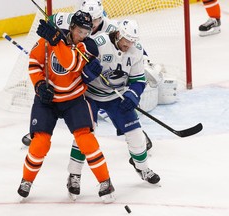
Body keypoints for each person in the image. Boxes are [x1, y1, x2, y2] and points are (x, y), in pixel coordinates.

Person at [22, 0, 153, 151]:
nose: (92, 23)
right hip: (74, 71)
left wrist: (144, 59)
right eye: (89, 18)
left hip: (100, 73)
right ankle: (39, 131)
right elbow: (51, 21)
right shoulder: (71, 19)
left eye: (96, 19)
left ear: (102, 16)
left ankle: (136, 132)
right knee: (56, 97)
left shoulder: (113, 28)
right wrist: (52, 33)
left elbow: (132, 46)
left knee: (115, 102)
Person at [17, 10, 115, 203]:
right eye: (79, 31)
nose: (82, 35)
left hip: (74, 99)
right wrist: (39, 84)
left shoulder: (87, 47)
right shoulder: (51, 39)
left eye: (86, 32)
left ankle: (105, 182)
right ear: (71, 27)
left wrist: (56, 42)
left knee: (86, 140)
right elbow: (34, 63)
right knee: (40, 143)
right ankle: (26, 180)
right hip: (48, 100)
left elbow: (68, 63)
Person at [66, 19, 160, 200]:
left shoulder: (136, 50)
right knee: (84, 135)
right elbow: (76, 71)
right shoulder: (98, 43)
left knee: (137, 135)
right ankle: (74, 175)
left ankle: (142, 168)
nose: (128, 45)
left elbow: (138, 80)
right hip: (90, 95)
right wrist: (88, 73)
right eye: (126, 40)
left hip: (117, 96)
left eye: (132, 41)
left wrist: (133, 95)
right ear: (118, 34)